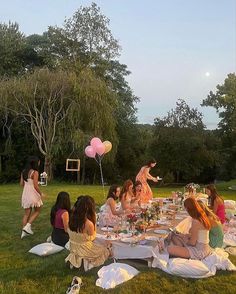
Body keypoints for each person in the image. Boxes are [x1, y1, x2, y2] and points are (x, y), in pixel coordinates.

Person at [65, 196, 110, 271]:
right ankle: (88, 264)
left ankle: (78, 261)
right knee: (105, 250)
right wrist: (94, 222)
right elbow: (92, 237)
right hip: (85, 249)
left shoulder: (71, 218)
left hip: (73, 247)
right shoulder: (88, 223)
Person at [20, 156, 44, 239]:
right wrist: (41, 194)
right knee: (38, 210)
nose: (39, 163)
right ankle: (27, 226)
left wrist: (27, 187)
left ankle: (23, 233)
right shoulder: (35, 172)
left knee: (26, 214)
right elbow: (36, 186)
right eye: (38, 162)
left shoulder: (23, 172)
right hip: (33, 194)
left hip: (25, 194)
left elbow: (21, 184)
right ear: (35, 163)